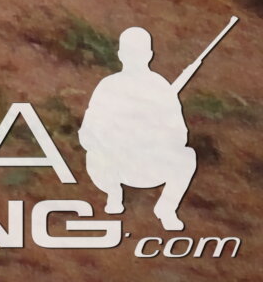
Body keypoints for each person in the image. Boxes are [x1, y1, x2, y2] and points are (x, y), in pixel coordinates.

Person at [79, 26, 202, 231]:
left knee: (187, 156)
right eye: (130, 53)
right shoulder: (108, 86)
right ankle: (113, 193)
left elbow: (180, 135)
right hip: (114, 165)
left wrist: (152, 135)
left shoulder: (161, 87)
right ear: (121, 55)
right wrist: (113, 138)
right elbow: (88, 132)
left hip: (150, 164)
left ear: (149, 55)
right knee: (95, 153)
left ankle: (166, 208)